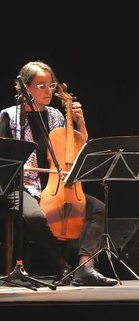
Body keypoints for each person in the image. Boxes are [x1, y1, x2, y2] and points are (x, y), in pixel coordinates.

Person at [0, 61, 118, 286]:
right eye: (41, 86)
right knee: (35, 217)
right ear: (25, 88)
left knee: (97, 208)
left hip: (57, 186)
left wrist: (80, 124)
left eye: (51, 86)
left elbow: (77, 150)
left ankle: (85, 267)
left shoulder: (55, 116)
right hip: (22, 184)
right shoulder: (9, 116)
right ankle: (62, 265)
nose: (49, 91)